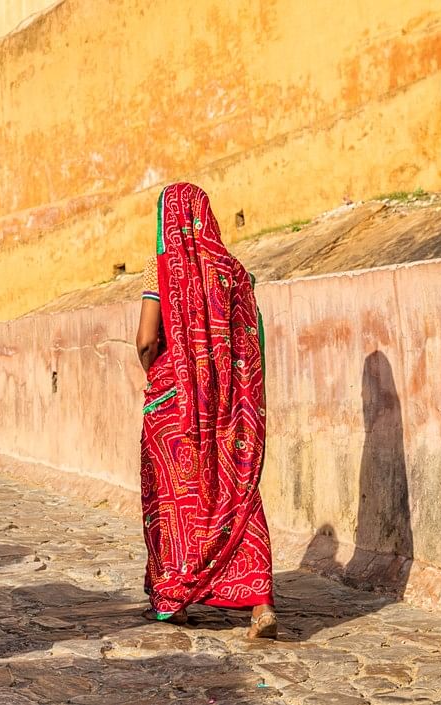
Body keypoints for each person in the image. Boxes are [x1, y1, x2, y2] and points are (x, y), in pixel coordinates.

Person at [135, 182, 277, 639]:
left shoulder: (162, 274)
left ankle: (174, 595)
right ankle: (259, 603)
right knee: (236, 493)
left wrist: (158, 372)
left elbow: (145, 340)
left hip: (173, 407)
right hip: (230, 407)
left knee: (177, 501)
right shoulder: (235, 274)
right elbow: (249, 343)